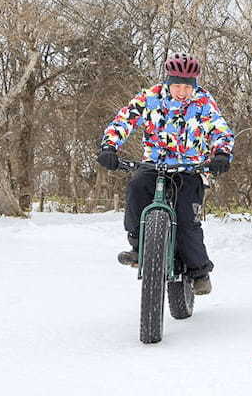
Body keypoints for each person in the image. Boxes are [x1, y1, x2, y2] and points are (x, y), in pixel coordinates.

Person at [96, 52, 234, 295]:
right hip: (154, 165)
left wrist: (221, 153)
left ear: (195, 85)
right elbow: (123, 120)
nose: (182, 92)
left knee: (186, 219)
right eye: (177, 85)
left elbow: (220, 129)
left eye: (187, 87)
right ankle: (138, 246)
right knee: (137, 188)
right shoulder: (150, 97)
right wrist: (109, 146)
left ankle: (199, 270)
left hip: (191, 168)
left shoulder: (203, 102)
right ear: (168, 82)